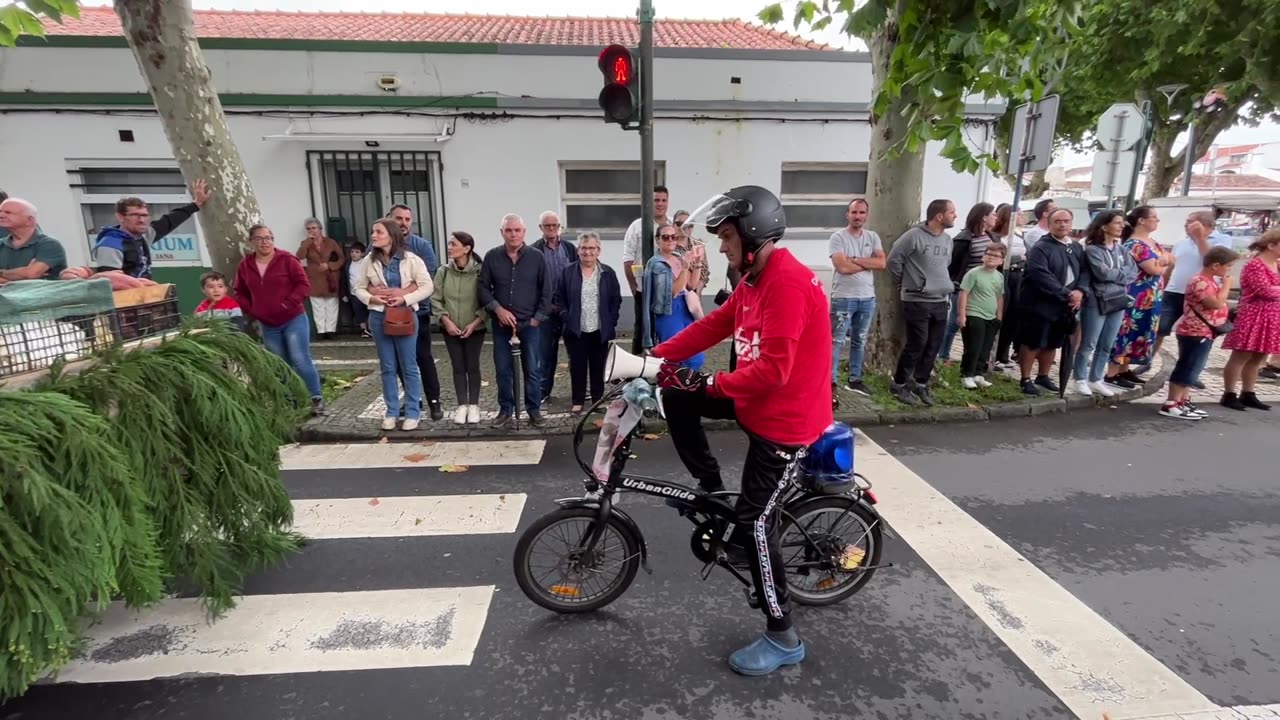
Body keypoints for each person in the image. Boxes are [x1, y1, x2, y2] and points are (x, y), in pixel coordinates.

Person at [650, 185, 832, 677]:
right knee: (675, 394)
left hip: (785, 423)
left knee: (756, 525)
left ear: (753, 233)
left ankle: (783, 636)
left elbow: (774, 370)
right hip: (758, 405)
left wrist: (709, 382)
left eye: (727, 236)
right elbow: (710, 328)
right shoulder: (752, 279)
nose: (722, 246)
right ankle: (713, 490)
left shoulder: (787, 284)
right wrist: (651, 359)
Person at [233, 224, 326, 416]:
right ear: (251, 242)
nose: (265, 242)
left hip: (293, 317)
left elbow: (303, 285)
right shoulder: (245, 265)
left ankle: (315, 398)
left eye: (269, 238)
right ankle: (290, 399)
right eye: (259, 238)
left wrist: (288, 303)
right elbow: (239, 291)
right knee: (280, 362)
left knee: (300, 358)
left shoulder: (287, 260)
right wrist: (253, 309)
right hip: (268, 323)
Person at [354, 218, 434, 431]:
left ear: (391, 235)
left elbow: (427, 286)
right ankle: (390, 412)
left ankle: (412, 412)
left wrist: (405, 298)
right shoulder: (368, 261)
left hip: (405, 315)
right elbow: (359, 288)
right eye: (373, 232)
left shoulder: (411, 259)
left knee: (409, 366)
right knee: (387, 366)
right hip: (379, 316)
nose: (373, 236)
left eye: (378, 232)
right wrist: (373, 298)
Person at [479, 213, 552, 429]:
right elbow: (482, 287)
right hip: (502, 326)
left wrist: (537, 319)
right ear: (502, 232)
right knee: (503, 370)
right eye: (509, 230)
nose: (513, 234)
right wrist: (497, 309)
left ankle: (534, 410)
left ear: (524, 232)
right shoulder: (492, 257)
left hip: (529, 325)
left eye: (517, 230)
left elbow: (546, 291)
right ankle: (505, 410)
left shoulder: (537, 257)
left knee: (533, 369)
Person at [886, 199, 957, 406]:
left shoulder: (947, 240)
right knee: (918, 342)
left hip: (940, 299)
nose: (956, 215)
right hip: (916, 299)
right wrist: (908, 283)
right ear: (939, 216)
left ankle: (921, 383)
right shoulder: (913, 236)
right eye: (952, 212)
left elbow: (946, 265)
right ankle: (898, 384)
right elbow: (893, 261)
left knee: (934, 344)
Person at [1160, 246, 1237, 419]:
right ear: (1215, 265)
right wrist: (1227, 286)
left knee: (1194, 368)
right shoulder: (1199, 281)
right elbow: (1214, 303)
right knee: (1188, 366)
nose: (1229, 271)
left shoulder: (1209, 281)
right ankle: (1171, 402)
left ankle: (1183, 399)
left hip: (1205, 332)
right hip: (1194, 332)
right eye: (1228, 266)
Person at [1017, 208, 1083, 396]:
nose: (1062, 224)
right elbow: (1040, 275)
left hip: (1064, 305)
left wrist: (1080, 291)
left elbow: (1084, 272)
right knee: (1033, 341)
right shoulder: (1041, 247)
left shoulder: (1076, 247)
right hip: (1040, 303)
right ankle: (1025, 378)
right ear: (1051, 223)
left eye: (1066, 221)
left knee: (1053, 342)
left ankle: (1043, 376)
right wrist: (1065, 293)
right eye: (1058, 221)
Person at [388, 203, 444, 421]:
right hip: (390, 314)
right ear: (389, 219)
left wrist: (402, 293)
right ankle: (413, 401)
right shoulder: (378, 245)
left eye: (407, 219)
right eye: (398, 218)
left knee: (423, 357)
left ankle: (434, 402)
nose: (403, 223)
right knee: (400, 360)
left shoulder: (422, 246)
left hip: (418, 312)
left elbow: (427, 280)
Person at [555, 231, 622, 413]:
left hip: (599, 329)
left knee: (598, 366)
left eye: (591, 248)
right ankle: (577, 400)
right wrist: (565, 316)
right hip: (576, 328)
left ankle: (597, 400)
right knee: (577, 366)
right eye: (584, 248)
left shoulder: (607, 272)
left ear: (598, 250)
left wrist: (611, 320)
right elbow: (558, 298)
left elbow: (615, 299)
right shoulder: (568, 272)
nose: (587, 252)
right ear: (578, 250)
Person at [1073, 210, 1137, 397]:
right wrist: (1119, 274)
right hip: (1097, 300)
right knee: (1089, 342)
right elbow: (1102, 274)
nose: (1122, 226)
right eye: (1118, 222)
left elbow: (1132, 272)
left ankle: (1096, 379)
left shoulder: (1121, 249)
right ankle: (1080, 378)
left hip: (1117, 300)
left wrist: (1115, 274)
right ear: (1104, 226)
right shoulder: (1093, 249)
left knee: (1107, 343)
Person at [93, 180, 212, 279]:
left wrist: (197, 203)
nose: (141, 220)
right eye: (135, 215)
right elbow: (110, 281)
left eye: (144, 215)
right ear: (120, 217)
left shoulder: (144, 235)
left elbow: (169, 221)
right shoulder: (110, 244)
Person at [1106, 206, 1170, 388]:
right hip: (1137, 295)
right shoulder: (1134, 244)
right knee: (1127, 331)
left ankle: (1124, 369)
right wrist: (1162, 263)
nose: (1157, 220)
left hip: (1151, 296)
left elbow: (1169, 258)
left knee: (1141, 331)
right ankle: (1112, 372)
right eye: (1154, 217)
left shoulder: (1151, 242)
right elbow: (1154, 268)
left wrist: (1162, 262)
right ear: (1141, 220)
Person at [828, 198, 884, 404]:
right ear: (847, 214)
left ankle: (855, 379)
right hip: (843, 298)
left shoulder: (872, 237)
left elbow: (882, 262)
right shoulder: (837, 237)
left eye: (862, 212)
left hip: (867, 298)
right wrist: (868, 263)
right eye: (854, 212)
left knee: (860, 340)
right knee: (836, 341)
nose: (858, 216)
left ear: (866, 215)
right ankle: (830, 382)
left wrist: (855, 260)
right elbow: (842, 268)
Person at [431, 231, 488, 424]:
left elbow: (487, 301)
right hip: (450, 329)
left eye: (453, 244)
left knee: (472, 366)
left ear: (467, 248)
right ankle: (461, 405)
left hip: (475, 328)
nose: (449, 247)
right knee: (457, 367)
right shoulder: (443, 272)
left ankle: (474, 405)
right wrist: (446, 322)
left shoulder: (481, 272)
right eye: (449, 244)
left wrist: (475, 323)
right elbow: (436, 299)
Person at [1221, 229, 1280, 411]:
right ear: (1271, 245)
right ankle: (1229, 393)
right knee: (1241, 355)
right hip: (1253, 315)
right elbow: (1265, 291)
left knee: (1258, 357)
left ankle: (1248, 393)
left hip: (1270, 315)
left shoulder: (1275, 264)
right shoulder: (1255, 265)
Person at [940, 202, 998, 363]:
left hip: (985, 289)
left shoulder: (992, 237)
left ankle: (973, 358)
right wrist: (953, 284)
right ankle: (942, 356)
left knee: (978, 324)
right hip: (964, 287)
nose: (996, 217)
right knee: (954, 322)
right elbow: (952, 264)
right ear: (984, 217)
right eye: (993, 214)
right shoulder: (965, 239)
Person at [644, 223, 703, 369]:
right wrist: (684, 267)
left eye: (673, 237)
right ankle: (673, 388)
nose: (670, 240)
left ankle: (689, 385)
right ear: (658, 240)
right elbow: (672, 292)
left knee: (696, 354)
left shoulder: (677, 257)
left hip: (685, 309)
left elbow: (691, 285)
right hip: (669, 312)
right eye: (665, 237)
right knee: (675, 356)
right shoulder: (657, 264)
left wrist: (698, 263)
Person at [957, 242, 1006, 388]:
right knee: (974, 346)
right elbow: (963, 293)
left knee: (985, 347)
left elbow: (999, 297)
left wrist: (999, 316)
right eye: (989, 254)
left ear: (1001, 260)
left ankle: (978, 373)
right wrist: (962, 314)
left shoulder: (999, 277)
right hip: (974, 313)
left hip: (991, 316)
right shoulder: (973, 273)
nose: (991, 258)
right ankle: (967, 374)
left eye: (996, 256)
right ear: (983, 256)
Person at [296, 218, 345, 340]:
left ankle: (331, 330)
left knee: (331, 305)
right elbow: (299, 256)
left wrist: (330, 265)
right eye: (308, 229)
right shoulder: (305, 243)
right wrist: (308, 242)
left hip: (329, 276)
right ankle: (321, 331)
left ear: (320, 229)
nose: (311, 230)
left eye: (314, 228)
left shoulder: (330, 242)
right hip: (314, 277)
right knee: (317, 305)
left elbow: (341, 258)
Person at [0, 198, 66, 283]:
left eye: (8, 212)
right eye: (0, 211)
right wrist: (23, 273)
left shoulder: (49, 244)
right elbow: (29, 274)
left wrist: (3, 274)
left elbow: (31, 273)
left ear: (29, 220)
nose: (1, 215)